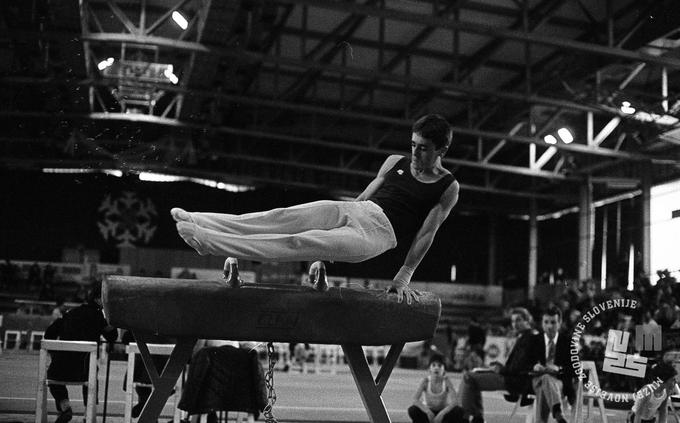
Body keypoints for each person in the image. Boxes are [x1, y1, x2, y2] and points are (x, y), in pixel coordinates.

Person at [171, 114, 459, 304]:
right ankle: (200, 220)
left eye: (423, 148)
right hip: (358, 210)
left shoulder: (446, 187)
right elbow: (364, 197)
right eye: (413, 144)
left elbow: (426, 233)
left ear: (441, 151)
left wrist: (403, 277)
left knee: (298, 242)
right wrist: (343, 214)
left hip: (377, 237)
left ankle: (209, 242)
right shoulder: (395, 161)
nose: (414, 152)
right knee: (281, 216)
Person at [44, 280, 117, 423]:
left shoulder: (70, 313)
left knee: (52, 378)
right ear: (98, 300)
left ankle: (65, 406)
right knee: (92, 373)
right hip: (83, 370)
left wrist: (54, 353)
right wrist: (110, 318)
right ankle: (87, 413)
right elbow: (112, 337)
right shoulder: (98, 317)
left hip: (58, 369)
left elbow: (49, 333)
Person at [458, 307, 537, 423]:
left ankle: (465, 418)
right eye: (513, 321)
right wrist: (499, 367)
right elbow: (517, 364)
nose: (515, 324)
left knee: (469, 378)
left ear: (527, 320)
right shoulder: (525, 336)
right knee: (473, 373)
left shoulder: (530, 337)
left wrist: (501, 369)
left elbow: (519, 367)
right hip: (512, 376)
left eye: (518, 320)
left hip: (515, 381)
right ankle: (476, 417)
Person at [529, 306, 574, 423]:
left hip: (558, 382)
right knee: (544, 378)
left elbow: (575, 368)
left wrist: (558, 369)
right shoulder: (534, 340)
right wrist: (534, 366)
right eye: (546, 322)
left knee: (545, 381)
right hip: (536, 380)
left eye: (553, 322)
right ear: (542, 323)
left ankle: (556, 413)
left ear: (560, 323)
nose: (549, 326)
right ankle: (558, 413)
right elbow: (525, 363)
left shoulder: (568, 342)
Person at [408, 353, 465, 423]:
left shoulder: (446, 381)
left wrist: (442, 414)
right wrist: (427, 412)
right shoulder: (425, 381)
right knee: (413, 410)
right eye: (433, 365)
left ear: (444, 370)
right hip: (428, 411)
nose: (436, 368)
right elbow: (415, 399)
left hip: (442, 411)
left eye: (439, 365)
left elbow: (455, 401)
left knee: (459, 411)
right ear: (429, 369)